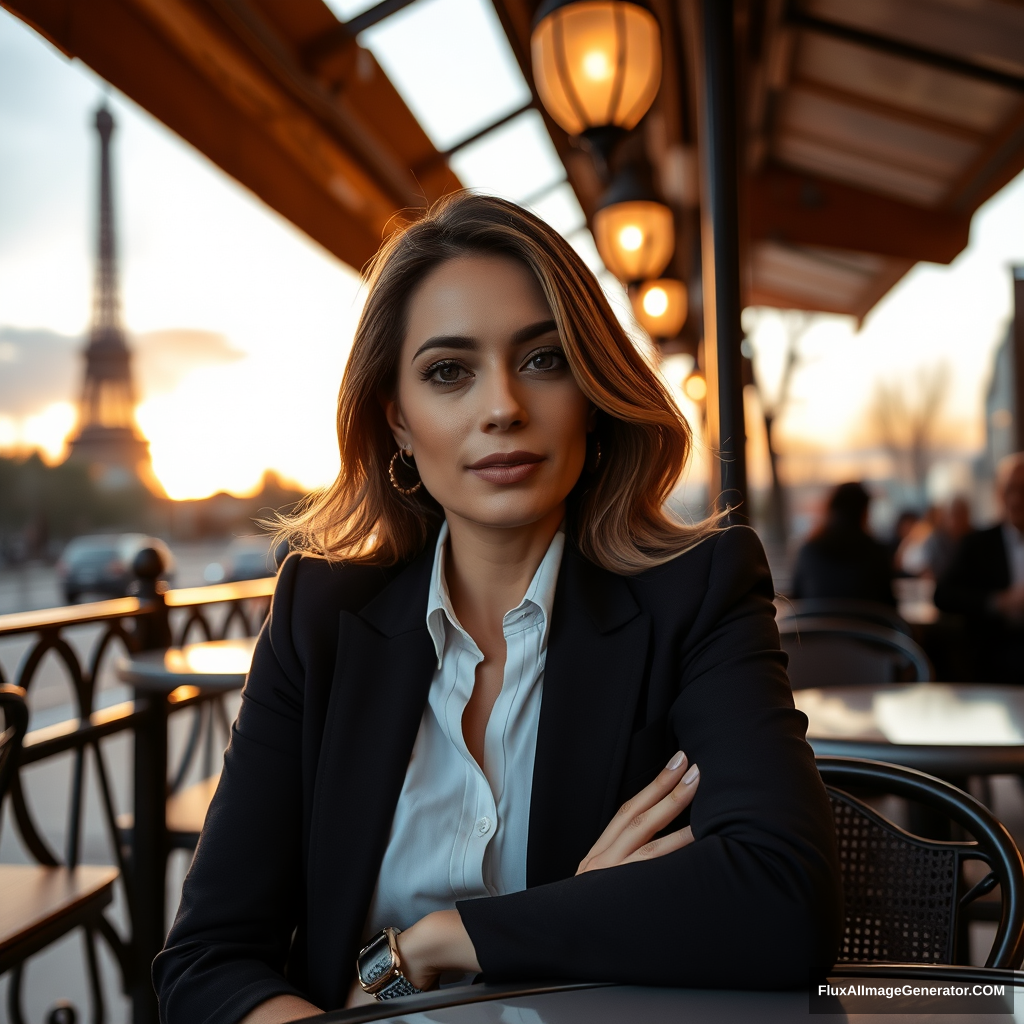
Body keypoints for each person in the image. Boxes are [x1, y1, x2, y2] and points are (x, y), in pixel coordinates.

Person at [153, 193, 842, 1023]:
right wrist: (586, 910)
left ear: (591, 389)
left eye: (545, 359)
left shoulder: (700, 593)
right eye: (450, 371)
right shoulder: (318, 614)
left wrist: (429, 946)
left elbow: (784, 902)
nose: (503, 405)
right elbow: (205, 963)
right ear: (398, 421)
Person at [935, 455, 1024, 681]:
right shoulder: (977, 544)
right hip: (993, 652)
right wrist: (997, 602)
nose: (1017, 499)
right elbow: (943, 595)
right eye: (1010, 490)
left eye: (1022, 490)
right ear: (998, 494)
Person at [790, 482, 895, 605]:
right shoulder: (877, 551)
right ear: (864, 511)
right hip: (866, 623)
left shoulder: (808, 550)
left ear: (830, 509)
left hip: (817, 623)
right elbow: (888, 603)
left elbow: (797, 598)